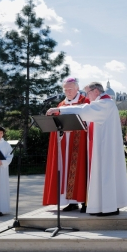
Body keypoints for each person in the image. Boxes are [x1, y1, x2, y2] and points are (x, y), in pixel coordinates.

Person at [47, 81, 127, 216]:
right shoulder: (104, 103)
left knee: (105, 176)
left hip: (104, 148)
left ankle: (108, 208)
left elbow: (84, 109)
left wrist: (59, 110)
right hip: (102, 146)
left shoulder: (105, 104)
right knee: (104, 176)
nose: (87, 96)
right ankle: (105, 207)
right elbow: (87, 112)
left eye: (88, 93)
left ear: (95, 91)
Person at [43, 78, 89, 213]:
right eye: (65, 89)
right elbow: (56, 125)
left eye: (70, 89)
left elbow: (89, 123)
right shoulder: (61, 104)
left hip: (80, 144)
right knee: (65, 170)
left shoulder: (85, 102)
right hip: (64, 144)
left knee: (82, 169)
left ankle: (84, 201)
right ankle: (71, 202)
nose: (67, 92)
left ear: (77, 88)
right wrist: (62, 129)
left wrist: (74, 128)